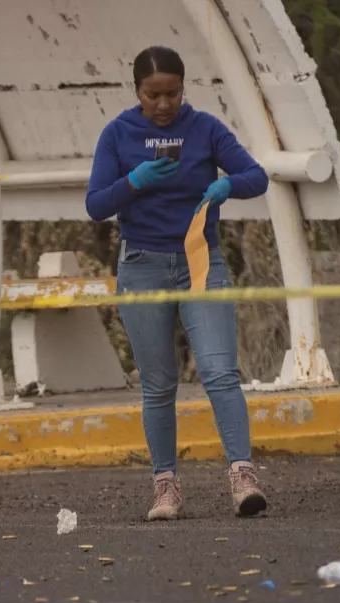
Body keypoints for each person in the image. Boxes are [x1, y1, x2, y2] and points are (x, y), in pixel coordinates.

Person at [85, 45, 270, 520]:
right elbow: (96, 204)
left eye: (172, 94)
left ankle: (243, 476)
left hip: (201, 262)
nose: (163, 105)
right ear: (137, 93)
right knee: (159, 382)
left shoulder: (205, 128)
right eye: (153, 96)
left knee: (219, 371)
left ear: (184, 90)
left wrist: (229, 184)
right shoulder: (118, 133)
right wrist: (136, 181)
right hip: (143, 264)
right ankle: (165, 485)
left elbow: (257, 176)